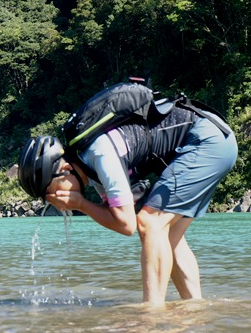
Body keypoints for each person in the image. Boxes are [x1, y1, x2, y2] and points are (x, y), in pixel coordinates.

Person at [16, 100, 237, 307]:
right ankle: (194, 309)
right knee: (169, 235)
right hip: (214, 141)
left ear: (63, 170)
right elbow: (120, 218)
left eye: (51, 192)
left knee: (150, 224)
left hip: (207, 141)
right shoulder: (91, 168)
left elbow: (128, 224)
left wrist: (81, 204)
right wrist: (82, 204)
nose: (55, 201)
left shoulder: (99, 153)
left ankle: (151, 313)